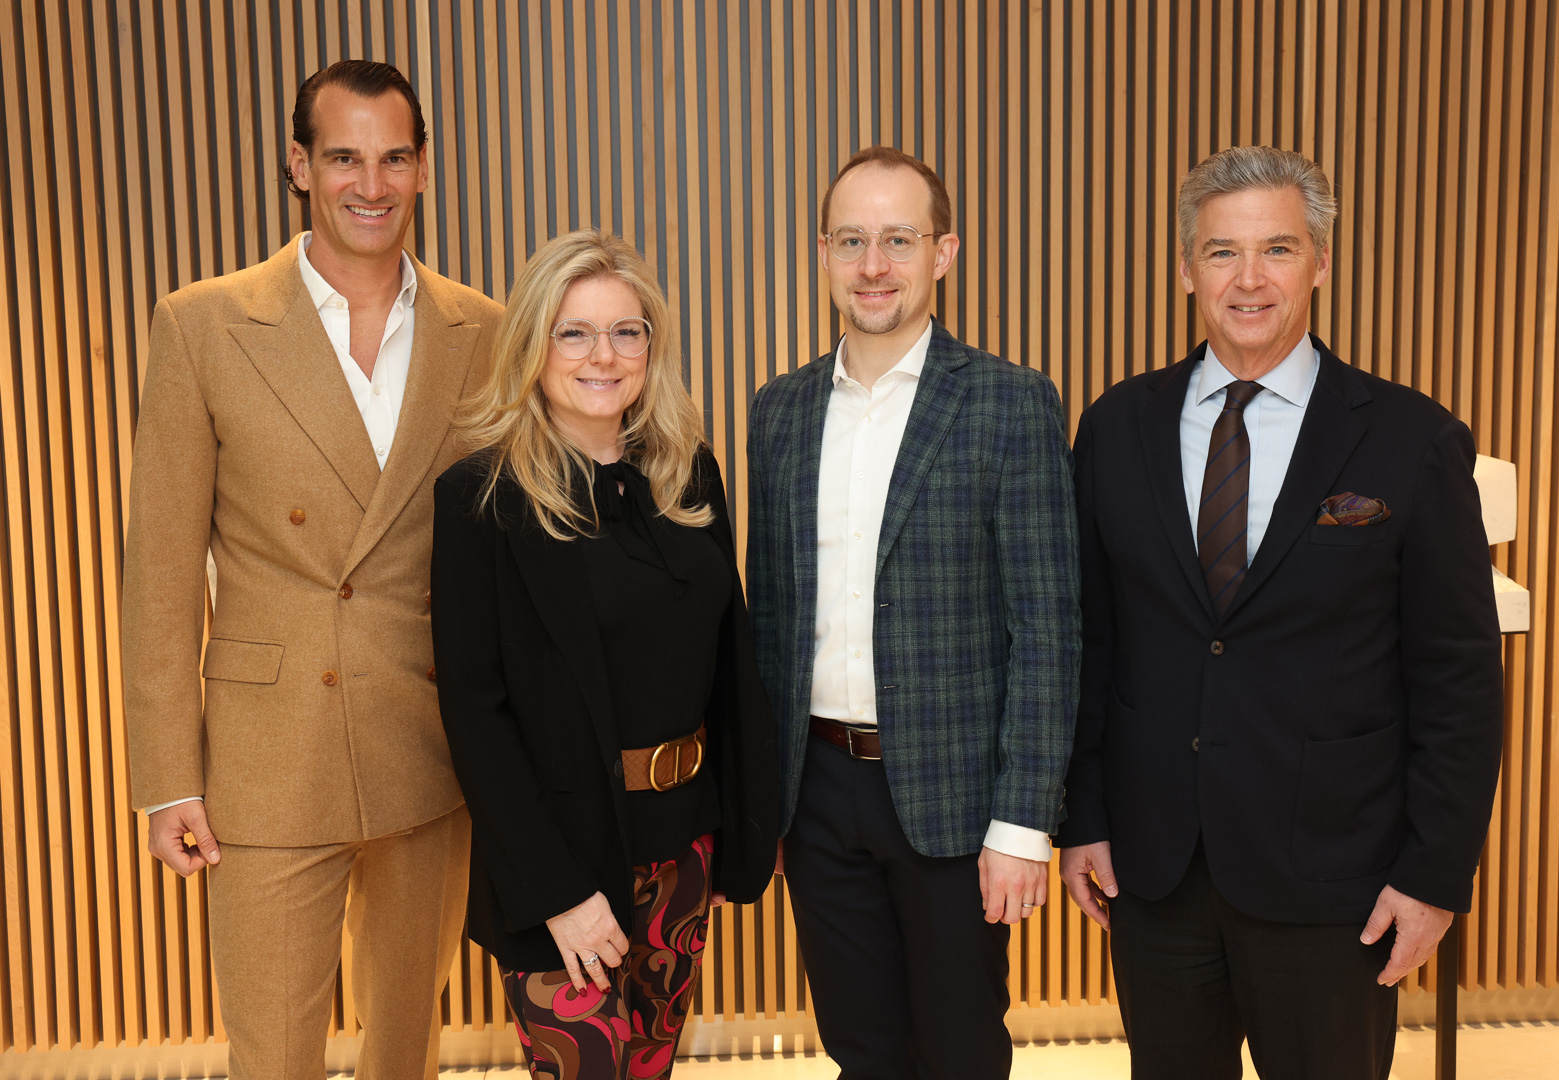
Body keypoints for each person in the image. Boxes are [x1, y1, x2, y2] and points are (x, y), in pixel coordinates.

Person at [1058, 146, 1504, 1079]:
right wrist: (1083, 818)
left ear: (1321, 263)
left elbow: (1458, 679)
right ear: (1187, 270)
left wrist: (1433, 876)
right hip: (1157, 870)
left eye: (1278, 249)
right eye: (1222, 252)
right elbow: (1090, 643)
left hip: (1337, 880)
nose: (1249, 279)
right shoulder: (1116, 427)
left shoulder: (1411, 439)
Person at [121, 60, 502, 1077]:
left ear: (423, 168)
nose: (370, 185)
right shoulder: (203, 324)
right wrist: (167, 780)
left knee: (407, 1049)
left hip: (428, 745)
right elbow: (159, 574)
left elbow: (510, 557)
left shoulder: (483, 329)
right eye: (343, 158)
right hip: (266, 759)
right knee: (273, 1054)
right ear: (299, 165)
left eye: (393, 158)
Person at [746, 146, 1082, 1079]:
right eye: (850, 240)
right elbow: (769, 624)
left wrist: (1022, 824)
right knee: (861, 1051)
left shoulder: (1010, 404)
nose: (873, 265)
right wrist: (769, 804)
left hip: (954, 800)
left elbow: (1048, 630)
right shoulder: (779, 412)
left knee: (960, 1053)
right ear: (823, 253)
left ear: (945, 252)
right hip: (817, 793)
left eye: (899, 239)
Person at [431, 228, 778, 1079]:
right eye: (575, 332)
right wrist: (558, 893)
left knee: (650, 1069)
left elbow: (730, 662)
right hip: (561, 859)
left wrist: (743, 827)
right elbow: (474, 714)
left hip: (684, 847)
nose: (604, 356)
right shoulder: (482, 499)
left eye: (627, 331)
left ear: (651, 347)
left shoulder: (688, 473)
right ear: (533, 345)